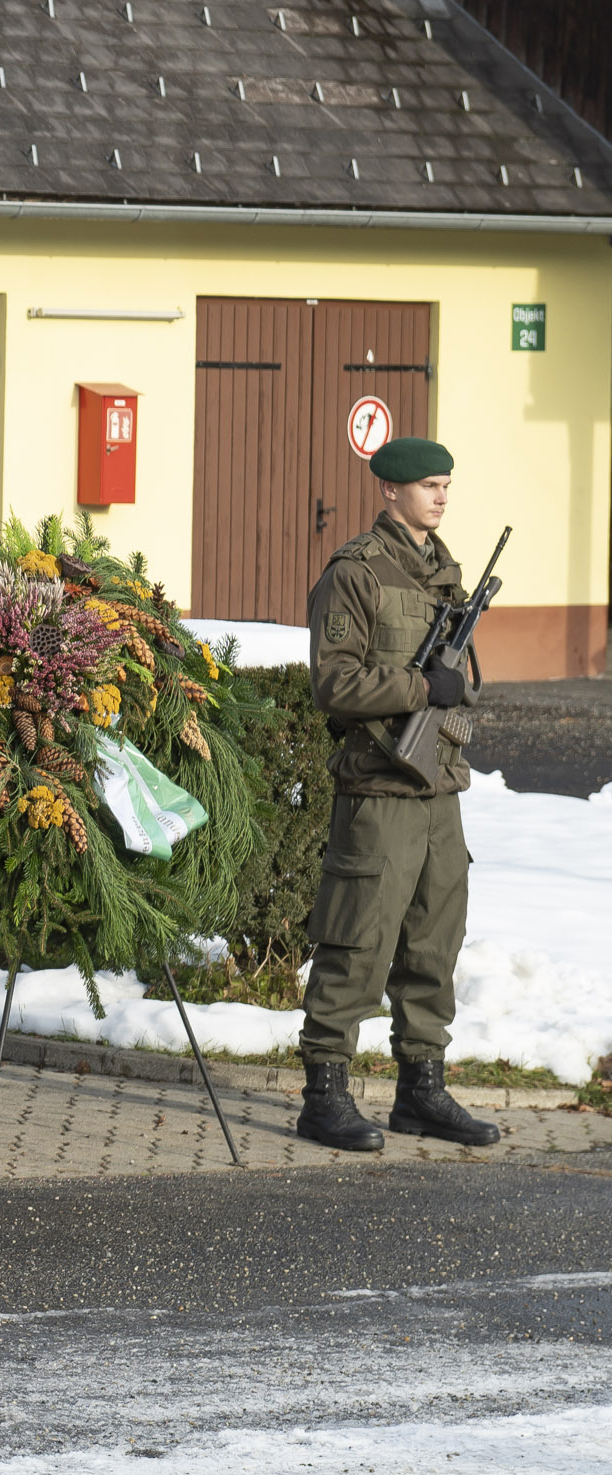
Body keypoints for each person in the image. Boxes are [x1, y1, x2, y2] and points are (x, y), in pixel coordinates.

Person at [296, 436, 501, 1153]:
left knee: (432, 942)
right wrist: (421, 687)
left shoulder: (444, 571)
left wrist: (453, 691)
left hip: (438, 787)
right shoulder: (357, 572)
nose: (441, 496)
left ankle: (421, 1091)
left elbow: (456, 681)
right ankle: (324, 1096)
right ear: (389, 490)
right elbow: (334, 681)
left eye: (447, 484)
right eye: (428, 486)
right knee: (357, 939)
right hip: (379, 786)